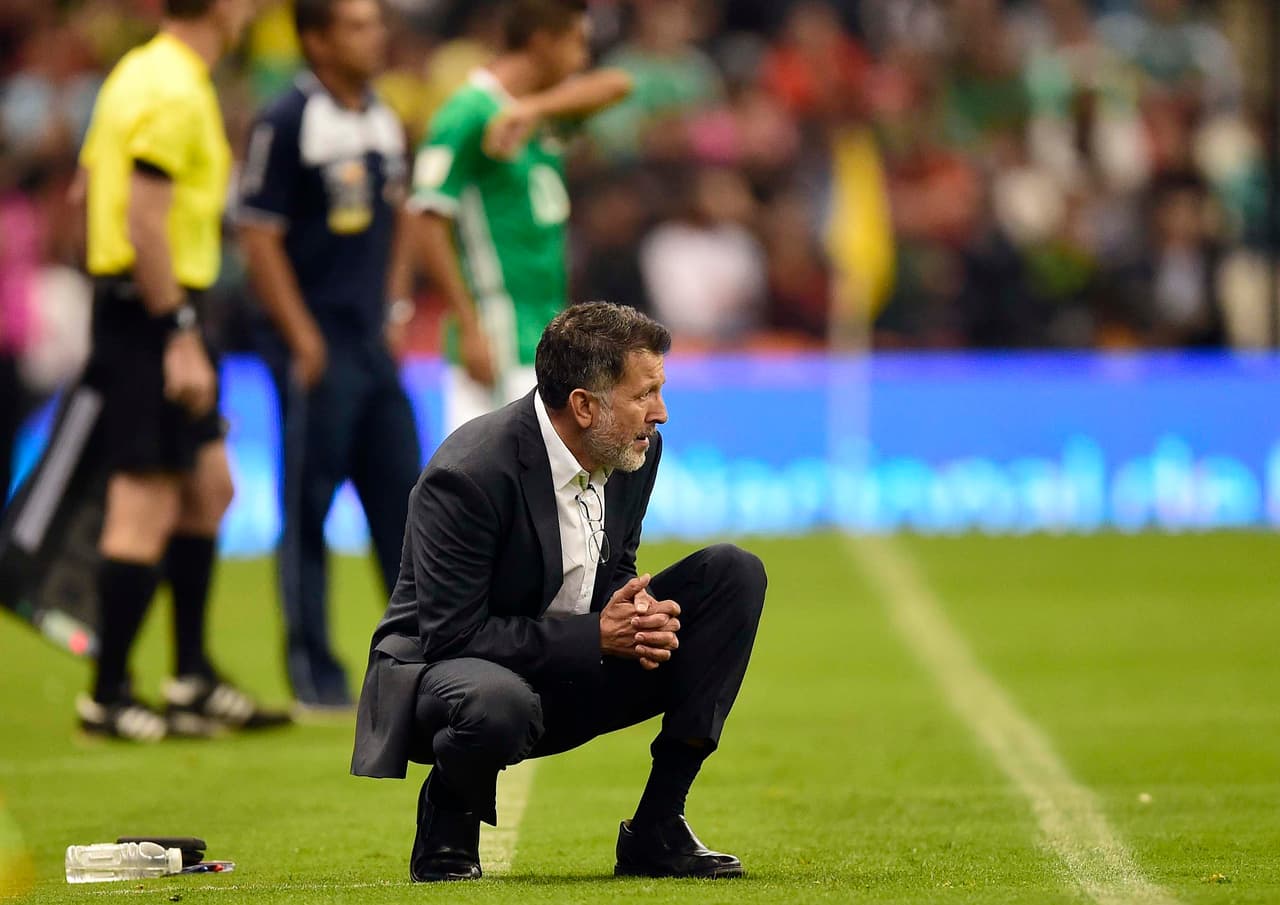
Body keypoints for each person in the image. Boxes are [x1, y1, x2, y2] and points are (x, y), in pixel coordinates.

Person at [351, 302, 767, 881]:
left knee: (733, 574)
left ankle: (658, 825)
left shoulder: (631, 449)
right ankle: (448, 823)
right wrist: (596, 634)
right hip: (445, 681)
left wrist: (635, 609)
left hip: (568, 661)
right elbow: (451, 636)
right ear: (584, 406)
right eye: (644, 394)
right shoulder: (470, 473)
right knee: (498, 701)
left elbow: (612, 562)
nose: (661, 413)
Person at [73, 0, 289, 740]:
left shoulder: (141, 73)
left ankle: (190, 675)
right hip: (154, 312)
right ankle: (107, 693)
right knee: (144, 502)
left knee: (210, 487)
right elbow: (141, 216)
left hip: (150, 304)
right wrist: (175, 331)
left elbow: (86, 192)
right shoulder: (170, 86)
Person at [239, 0, 422, 710]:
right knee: (307, 507)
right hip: (317, 343)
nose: (374, 36)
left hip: (372, 340)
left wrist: (398, 305)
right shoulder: (286, 119)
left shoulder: (381, 115)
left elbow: (403, 211)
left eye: (375, 23)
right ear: (315, 39)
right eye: (356, 25)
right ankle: (315, 674)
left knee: (406, 507)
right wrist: (302, 336)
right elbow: (257, 235)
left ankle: (412, 661)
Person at [407, 0, 632, 433]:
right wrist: (468, 326)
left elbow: (618, 84)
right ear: (542, 42)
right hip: (496, 327)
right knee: (487, 484)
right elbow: (425, 217)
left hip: (546, 326)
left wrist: (532, 110)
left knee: (542, 485)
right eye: (576, 44)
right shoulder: (468, 113)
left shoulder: (539, 110)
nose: (582, 59)